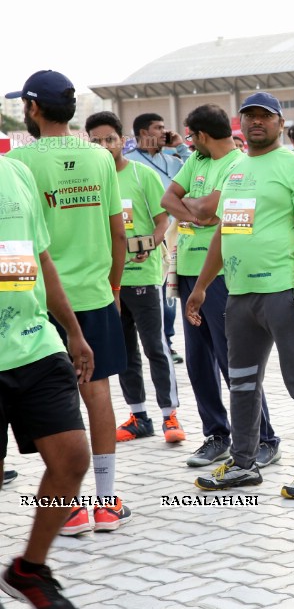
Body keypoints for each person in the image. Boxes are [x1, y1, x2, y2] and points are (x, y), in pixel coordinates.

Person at [186, 92, 294, 498]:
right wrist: (201, 287)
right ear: (240, 124)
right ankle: (242, 463)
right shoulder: (235, 170)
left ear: (280, 122)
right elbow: (225, 231)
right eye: (249, 117)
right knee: (241, 383)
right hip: (239, 295)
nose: (256, 123)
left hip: (281, 293)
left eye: (264, 117)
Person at [6, 70, 132, 535]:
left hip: (41, 302)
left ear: (33, 108)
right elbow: (119, 233)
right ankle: (106, 502)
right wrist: (113, 289)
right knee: (97, 392)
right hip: (96, 296)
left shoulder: (21, 163)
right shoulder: (101, 158)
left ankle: (70, 508)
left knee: (53, 402)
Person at [162, 104, 280, 468]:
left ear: (201, 135)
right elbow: (172, 200)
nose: (188, 142)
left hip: (218, 277)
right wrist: (196, 216)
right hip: (187, 274)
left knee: (234, 362)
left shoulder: (236, 164)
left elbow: (212, 206)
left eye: (190, 135)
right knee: (198, 361)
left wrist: (197, 209)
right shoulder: (197, 161)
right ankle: (217, 434)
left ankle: (264, 437)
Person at [0, 153, 92, 609]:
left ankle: (28, 569)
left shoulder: (16, 171)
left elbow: (38, 255)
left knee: (73, 457)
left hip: (35, 342)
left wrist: (72, 330)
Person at [85, 111, 185, 443]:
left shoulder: (142, 176)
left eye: (109, 139)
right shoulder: (90, 180)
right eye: (96, 141)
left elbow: (162, 222)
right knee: (124, 351)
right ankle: (138, 416)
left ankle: (170, 416)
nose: (103, 146)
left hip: (143, 276)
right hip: (106, 282)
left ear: (122, 141)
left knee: (155, 346)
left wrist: (150, 244)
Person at [124, 112, 189, 365]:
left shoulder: (173, 161)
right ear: (142, 133)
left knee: (168, 294)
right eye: (158, 128)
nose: (164, 131)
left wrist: (181, 146)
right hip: (143, 236)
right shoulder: (129, 162)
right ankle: (145, 345)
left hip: (172, 237)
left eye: (165, 127)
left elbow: (196, 170)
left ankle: (167, 342)